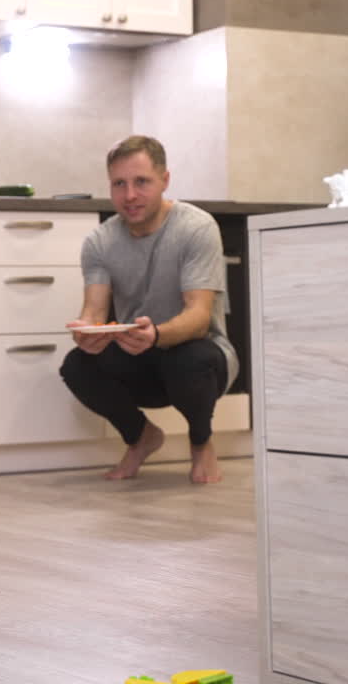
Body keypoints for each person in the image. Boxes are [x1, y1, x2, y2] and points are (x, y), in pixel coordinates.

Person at [59, 135, 237, 484]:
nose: (129, 196)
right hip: (137, 355)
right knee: (77, 366)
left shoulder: (196, 228)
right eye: (119, 184)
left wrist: (156, 335)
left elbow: (199, 318)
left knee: (190, 358)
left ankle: (202, 444)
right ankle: (141, 438)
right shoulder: (100, 241)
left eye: (142, 182)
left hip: (200, 361)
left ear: (165, 181)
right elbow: (94, 310)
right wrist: (87, 331)